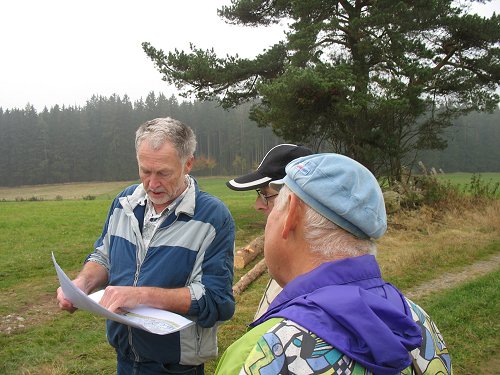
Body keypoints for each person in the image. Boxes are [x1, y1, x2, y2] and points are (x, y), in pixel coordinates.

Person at [216, 153, 452, 374]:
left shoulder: (264, 352)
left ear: (291, 215)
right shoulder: (421, 323)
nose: (262, 209)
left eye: (275, 205)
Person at [57, 117, 236, 375]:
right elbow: (104, 255)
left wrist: (140, 295)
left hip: (176, 368)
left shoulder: (213, 217)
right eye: (145, 171)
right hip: (125, 360)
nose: (152, 184)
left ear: (188, 164)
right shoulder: (124, 201)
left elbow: (218, 300)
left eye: (163, 173)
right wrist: (82, 284)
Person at [226, 144, 313, 319]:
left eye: (265, 194)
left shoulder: (307, 283)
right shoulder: (291, 262)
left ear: (294, 202)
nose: (257, 205)